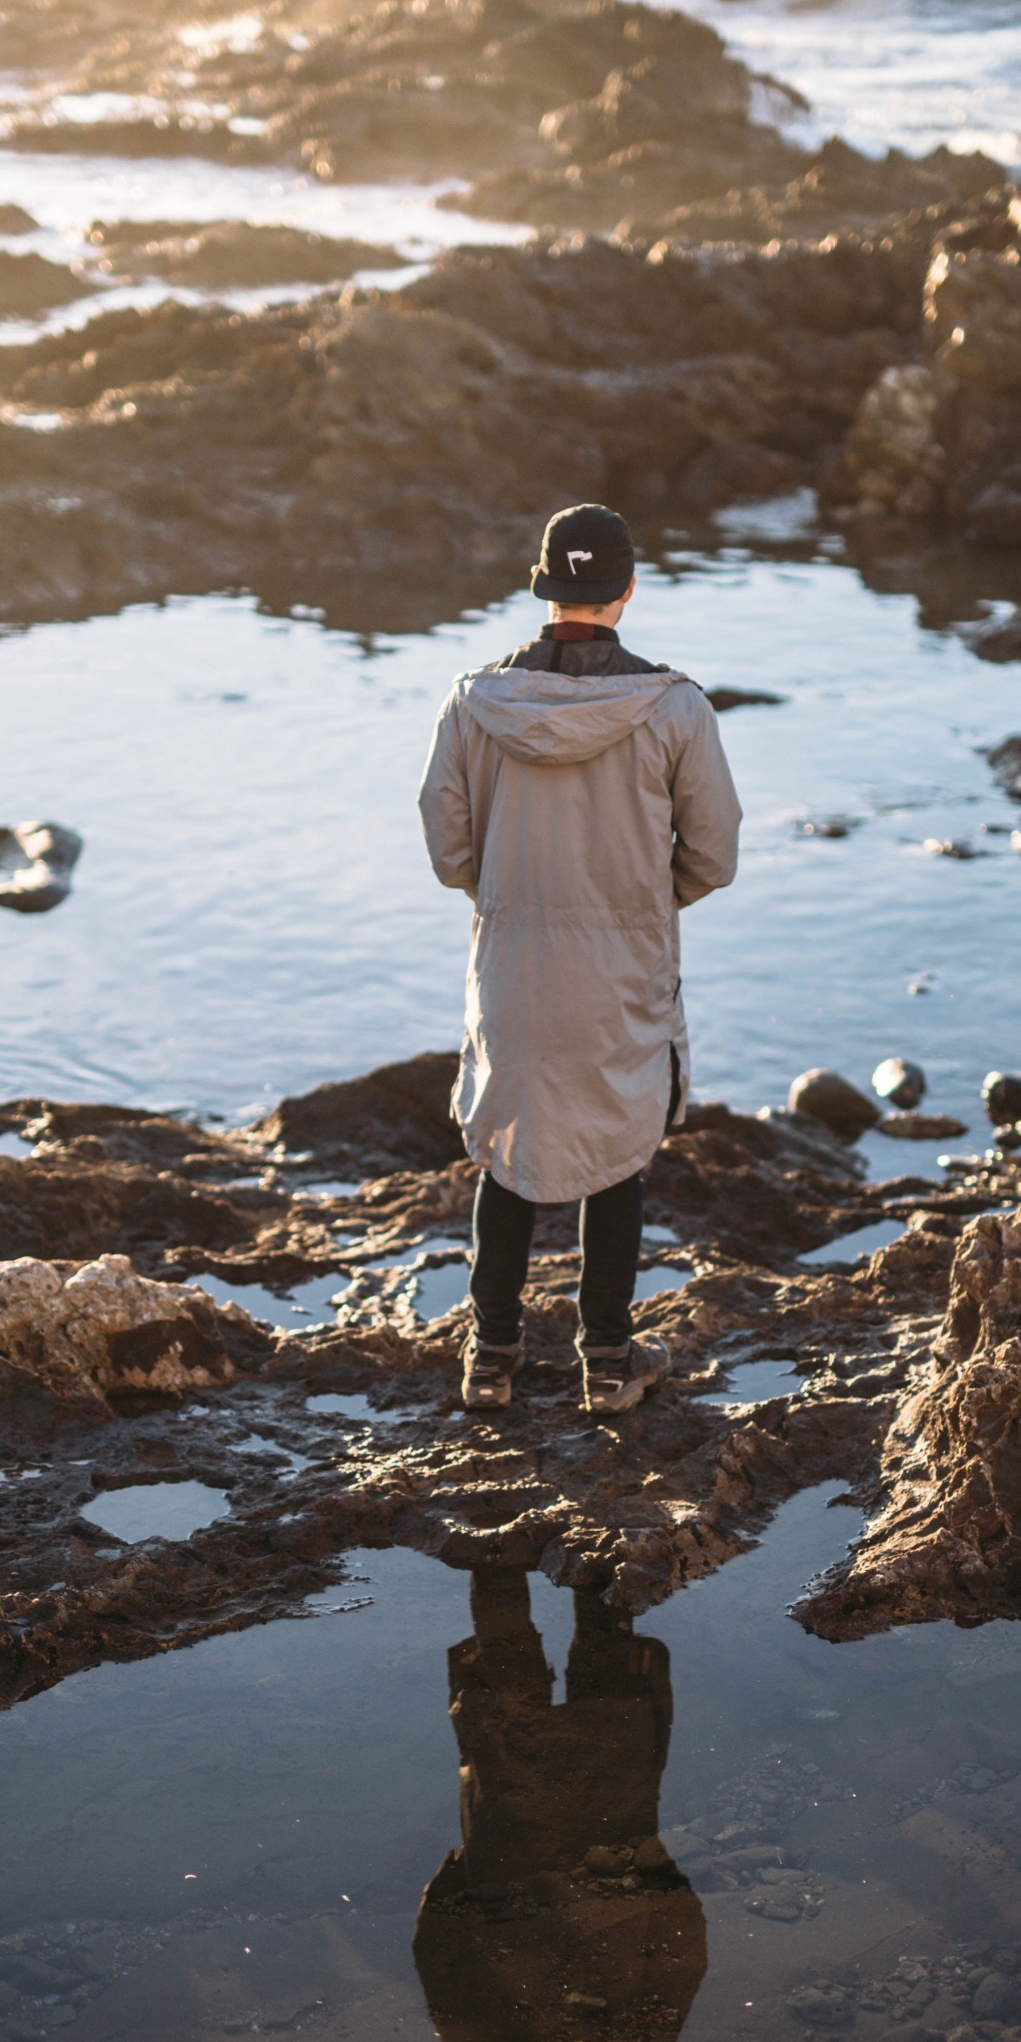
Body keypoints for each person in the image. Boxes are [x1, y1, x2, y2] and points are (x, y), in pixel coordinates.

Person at [418, 502, 741, 1415]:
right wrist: (632, 902)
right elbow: (715, 854)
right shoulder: (674, 707)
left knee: (509, 1153)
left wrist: (523, 897)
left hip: (512, 963)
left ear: (544, 587)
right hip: (624, 969)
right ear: (627, 592)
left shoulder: (475, 703)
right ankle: (607, 1362)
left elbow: (449, 854)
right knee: (616, 1153)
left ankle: (491, 1359)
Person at [412, 1567, 707, 2042]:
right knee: (506, 1672)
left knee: (607, 1675)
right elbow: (439, 1955)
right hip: (508, 1846)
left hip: (613, 1832)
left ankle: (594, 1552)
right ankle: (496, 1539)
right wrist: (454, 1879)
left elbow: (681, 1949)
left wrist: (658, 1874)